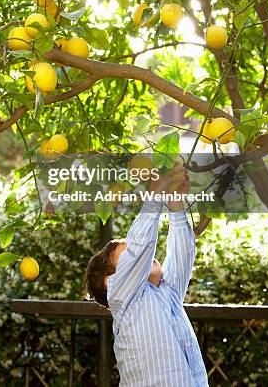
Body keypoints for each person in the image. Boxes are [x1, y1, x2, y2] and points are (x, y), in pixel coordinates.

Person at [83, 164, 209, 386]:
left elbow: (183, 253)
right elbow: (140, 248)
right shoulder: (123, 297)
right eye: (127, 253)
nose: (146, 256)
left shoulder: (167, 293)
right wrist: (154, 197)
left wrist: (175, 204)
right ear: (111, 281)